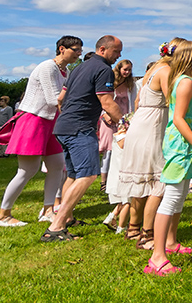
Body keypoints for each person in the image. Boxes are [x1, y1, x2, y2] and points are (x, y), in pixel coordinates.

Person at [43, 35, 124, 241]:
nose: (119, 56)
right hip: (80, 128)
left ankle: (67, 218)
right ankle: (56, 227)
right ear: (103, 49)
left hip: (64, 126)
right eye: (116, 51)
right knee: (88, 175)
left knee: (73, 175)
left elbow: (61, 98)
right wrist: (124, 123)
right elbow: (106, 101)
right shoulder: (103, 69)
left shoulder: (79, 67)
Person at [144, 40, 192, 275]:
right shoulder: (185, 82)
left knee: (180, 194)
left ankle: (171, 244)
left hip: (189, 145)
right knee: (172, 197)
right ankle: (157, 257)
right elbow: (178, 118)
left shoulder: (188, 80)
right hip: (183, 146)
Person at [0, 37, 81, 227]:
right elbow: (53, 99)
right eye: (75, 49)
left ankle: (48, 210)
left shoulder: (65, 71)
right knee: (27, 170)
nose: (78, 54)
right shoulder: (47, 67)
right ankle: (3, 215)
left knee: (58, 166)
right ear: (61, 49)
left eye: (80, 51)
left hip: (51, 122)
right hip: (33, 120)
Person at [117, 39, 183, 249]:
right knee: (157, 180)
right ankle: (148, 234)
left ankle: (133, 228)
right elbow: (171, 100)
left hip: (141, 123)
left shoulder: (152, 70)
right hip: (153, 127)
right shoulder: (165, 72)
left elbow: (136, 103)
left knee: (142, 181)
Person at [99, 60, 136, 192]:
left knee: (121, 149)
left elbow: (133, 102)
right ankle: (103, 181)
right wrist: (105, 114)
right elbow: (103, 100)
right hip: (108, 119)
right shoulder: (110, 83)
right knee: (108, 150)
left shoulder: (131, 85)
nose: (127, 72)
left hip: (124, 119)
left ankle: (118, 178)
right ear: (119, 69)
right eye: (125, 69)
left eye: (129, 70)